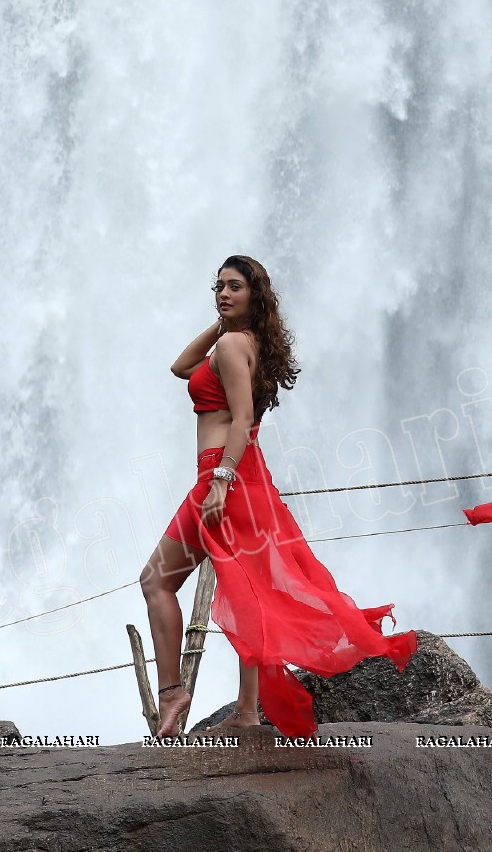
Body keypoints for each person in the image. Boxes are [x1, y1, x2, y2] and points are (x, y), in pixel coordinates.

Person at [138, 254, 418, 738]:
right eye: (219, 287)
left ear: (255, 295)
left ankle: (173, 693)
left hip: (223, 477)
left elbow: (242, 420)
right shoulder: (247, 342)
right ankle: (246, 709)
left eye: (235, 288)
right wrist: (223, 321)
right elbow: (180, 367)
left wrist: (221, 481)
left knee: (156, 581)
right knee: (252, 593)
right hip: (247, 478)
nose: (223, 294)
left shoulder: (231, 347)